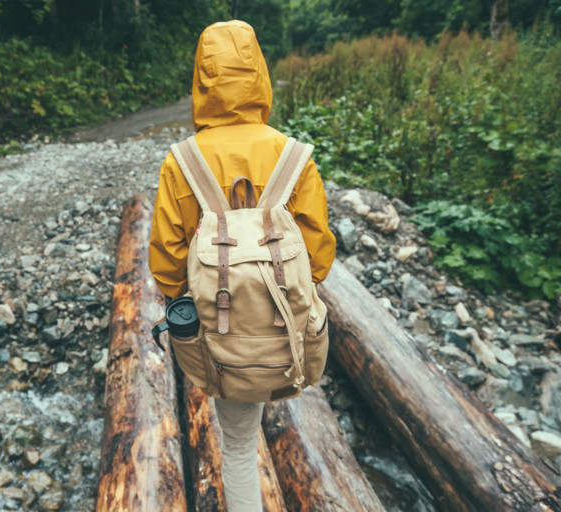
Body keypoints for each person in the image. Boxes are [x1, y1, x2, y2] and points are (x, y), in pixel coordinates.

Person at [148, 20, 336, 511]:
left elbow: (166, 265)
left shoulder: (181, 160)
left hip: (220, 337)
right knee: (260, 404)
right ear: (259, 74)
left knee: (236, 445)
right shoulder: (293, 155)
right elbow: (317, 260)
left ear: (201, 81)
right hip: (286, 332)